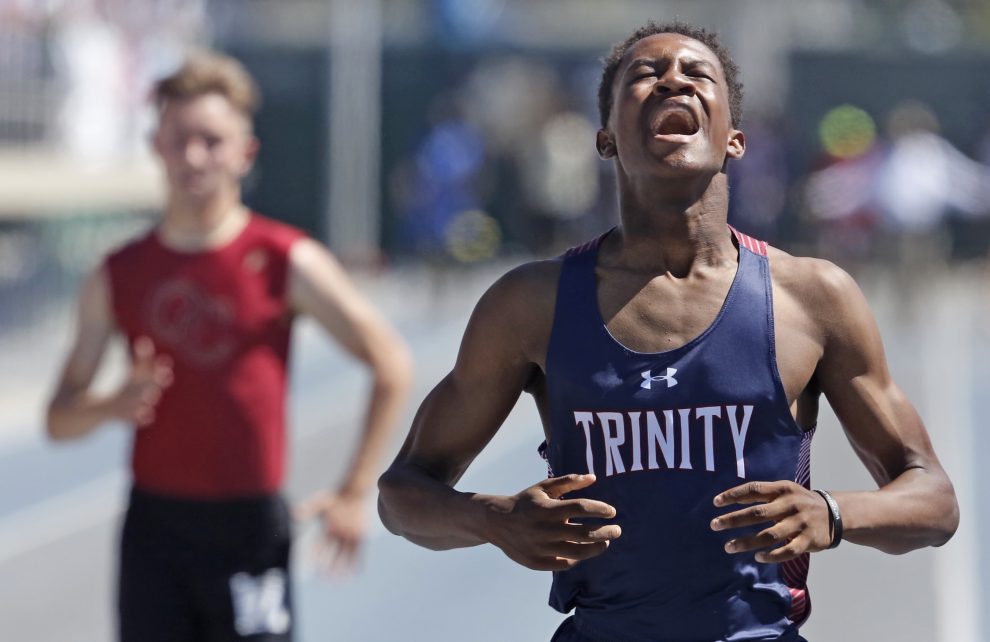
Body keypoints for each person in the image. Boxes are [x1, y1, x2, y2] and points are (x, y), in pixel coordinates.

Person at [377, 21, 958, 642]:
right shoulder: (530, 304)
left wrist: (835, 513)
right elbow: (402, 495)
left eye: (697, 73)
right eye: (645, 75)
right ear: (605, 139)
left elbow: (933, 500)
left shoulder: (812, 298)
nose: (672, 79)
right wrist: (495, 519)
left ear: (735, 139)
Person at [45, 51, 412, 641]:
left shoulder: (285, 259)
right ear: (156, 146)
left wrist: (353, 490)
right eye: (180, 139)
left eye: (211, 141)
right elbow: (58, 420)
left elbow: (390, 364)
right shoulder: (118, 272)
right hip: (154, 532)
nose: (194, 156)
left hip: (248, 529)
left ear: (245, 152)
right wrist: (111, 405)